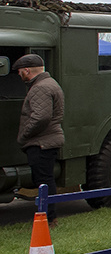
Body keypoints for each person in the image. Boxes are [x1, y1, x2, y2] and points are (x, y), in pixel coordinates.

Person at [15, 54, 64, 218]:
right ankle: (48, 216)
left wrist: (24, 135)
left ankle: (48, 217)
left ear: (27, 70)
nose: (19, 74)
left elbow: (41, 117)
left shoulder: (40, 88)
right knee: (46, 179)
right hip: (47, 141)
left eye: (20, 71)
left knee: (43, 181)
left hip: (41, 142)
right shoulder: (49, 83)